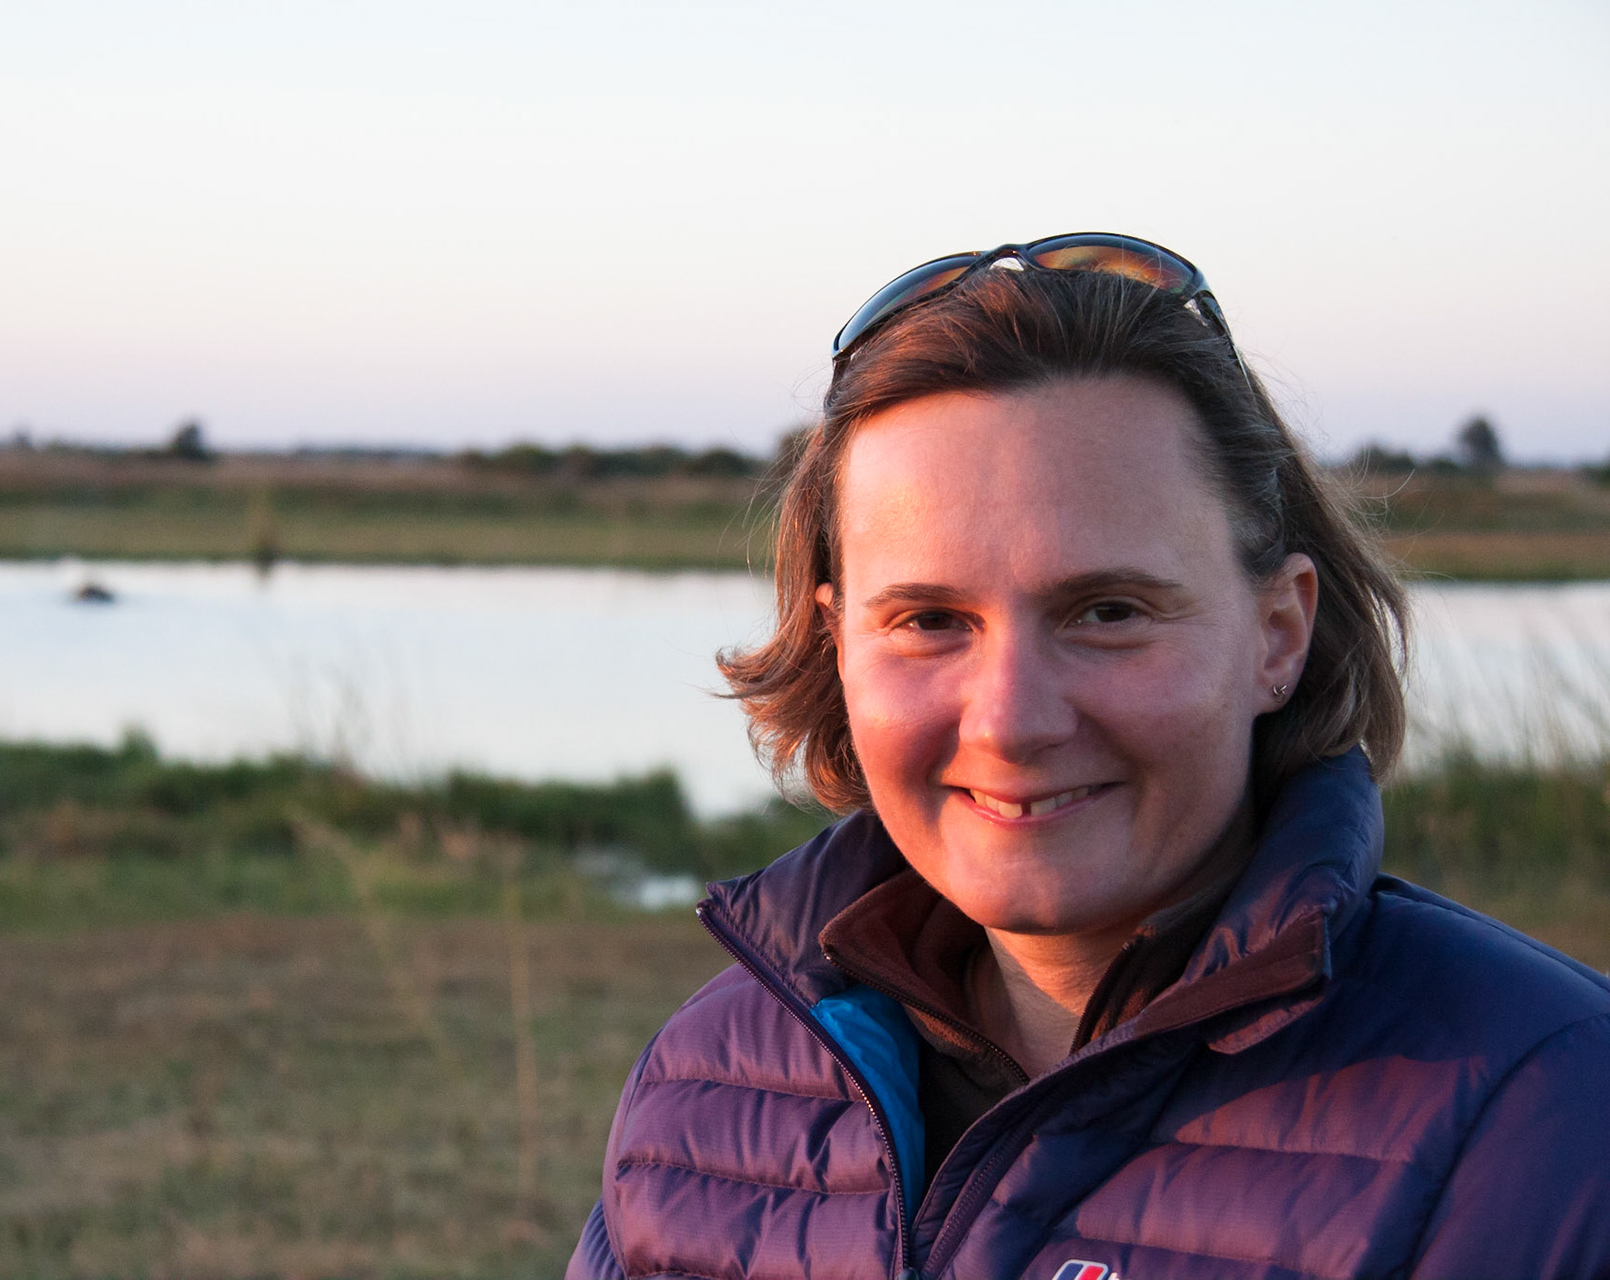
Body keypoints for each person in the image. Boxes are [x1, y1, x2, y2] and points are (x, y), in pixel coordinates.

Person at [567, 235, 1610, 1279]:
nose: (1012, 718)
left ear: (1279, 632)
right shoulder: (707, 1087)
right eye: (930, 619)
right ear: (839, 647)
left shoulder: (1545, 1110)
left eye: (1108, 610)